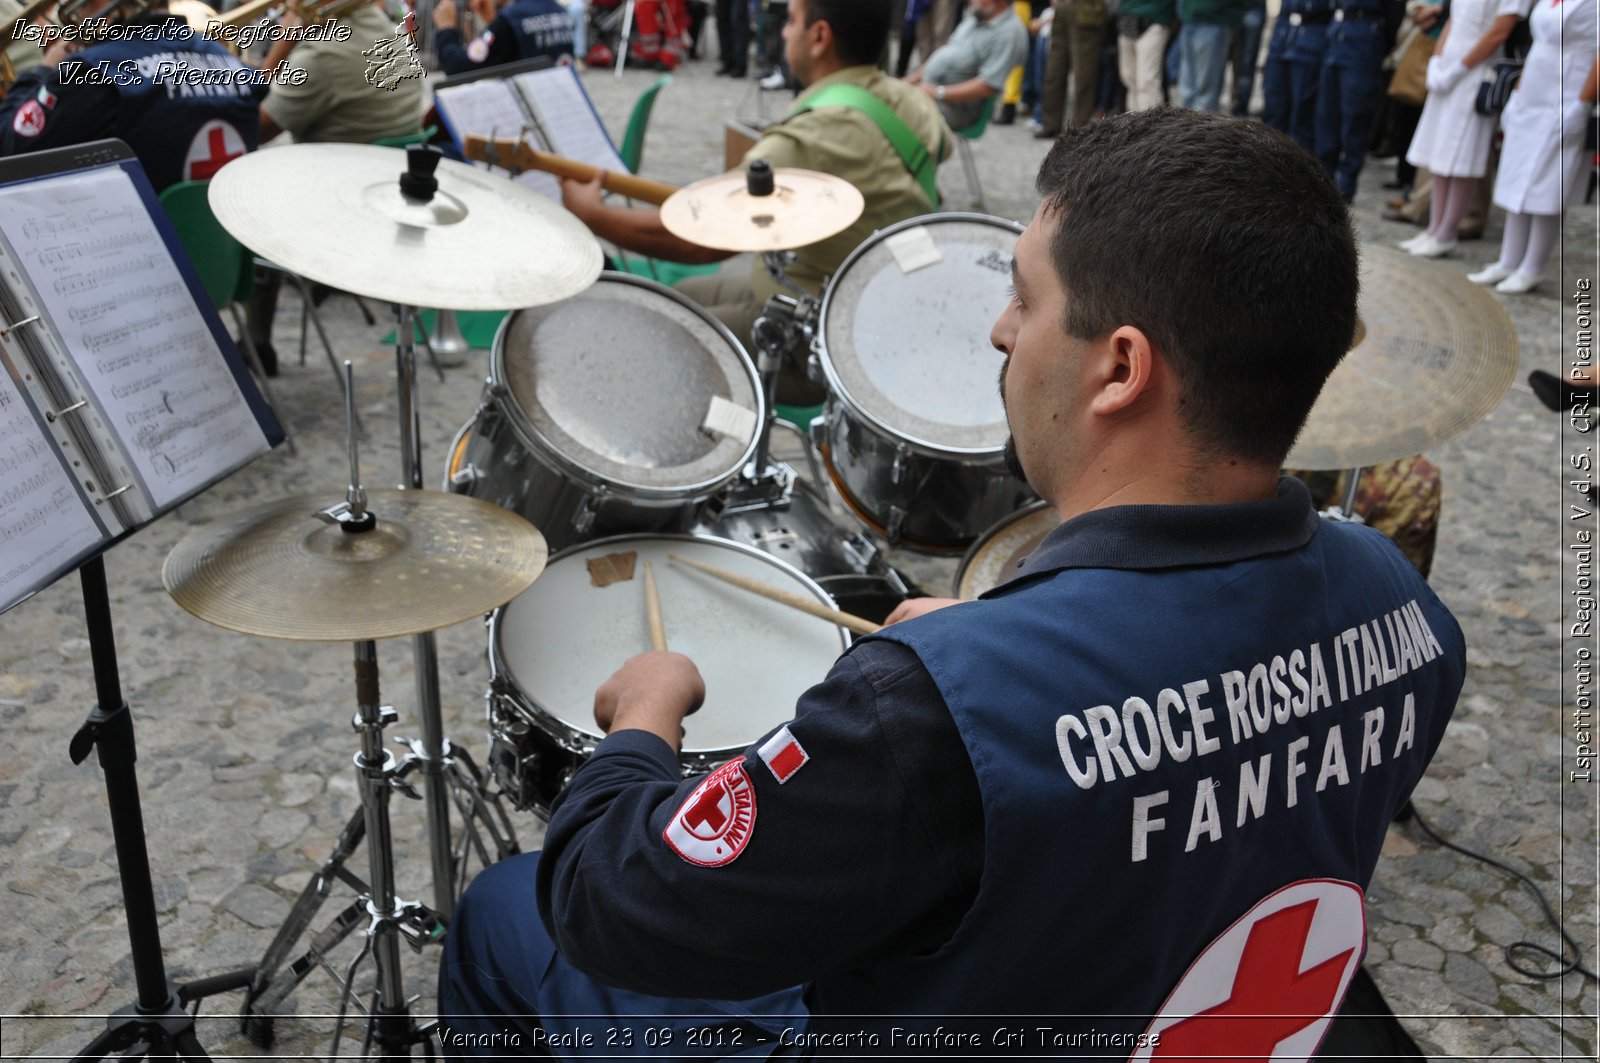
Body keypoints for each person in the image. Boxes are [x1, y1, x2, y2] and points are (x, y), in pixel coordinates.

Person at [439, 108, 1465, 1052]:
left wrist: (638, 724)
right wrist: (999, 654)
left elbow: (614, 906)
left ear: (1119, 369)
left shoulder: (922, 710)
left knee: (504, 910)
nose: (999, 330)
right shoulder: (1405, 609)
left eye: (1025, 295)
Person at [558, 0, 949, 405]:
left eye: (792, 21)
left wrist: (590, 214)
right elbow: (942, 150)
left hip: (818, 342)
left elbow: (697, 241)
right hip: (860, 307)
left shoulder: (809, 139)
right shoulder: (911, 102)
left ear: (819, 37)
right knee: (680, 294)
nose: (782, 32)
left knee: (642, 337)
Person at [244, 0, 426, 374]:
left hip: (341, 204)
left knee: (247, 198)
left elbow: (255, 129)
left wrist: (282, 43)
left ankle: (256, 343)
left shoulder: (322, 56)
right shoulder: (393, 33)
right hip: (388, 191)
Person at [0, 0, 260, 191]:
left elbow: (10, 148)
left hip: (136, 252)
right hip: (222, 255)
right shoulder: (226, 59)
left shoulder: (94, 69)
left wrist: (44, 70)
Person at [1467, 0, 1596, 292]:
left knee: (1548, 183)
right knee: (1517, 174)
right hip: (1534, 89)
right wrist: (1518, 93)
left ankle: (1533, 266)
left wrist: (1582, 103)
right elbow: (1538, 45)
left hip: (1567, 91)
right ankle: (1509, 260)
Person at [1398, 0, 1528, 255]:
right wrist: (1437, 58)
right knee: (1439, 148)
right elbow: (1452, 19)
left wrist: (1460, 67)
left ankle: (1447, 230)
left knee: (1462, 154)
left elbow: (1500, 31)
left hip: (1478, 65)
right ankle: (1434, 227)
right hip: (1450, 57)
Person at [1314, 0, 1405, 202]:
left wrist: (1380, 46)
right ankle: (1323, 177)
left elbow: (1394, 15)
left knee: (1355, 116)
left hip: (1364, 41)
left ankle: (1346, 182)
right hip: (1336, 38)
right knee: (1327, 115)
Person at [906, 0, 1030, 130]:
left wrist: (938, 92)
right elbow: (942, 58)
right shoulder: (976, 17)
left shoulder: (1009, 32)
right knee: (887, 100)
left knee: (896, 113)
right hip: (929, 92)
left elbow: (988, 85)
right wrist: (906, 83)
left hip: (957, 107)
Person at [432, 0, 576, 75]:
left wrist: (446, 29)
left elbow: (458, 68)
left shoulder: (513, 20)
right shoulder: (560, 12)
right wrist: (493, 21)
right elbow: (510, 51)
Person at [1175, 0, 1252, 111]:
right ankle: (1185, 126)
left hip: (1214, 21)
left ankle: (1201, 127)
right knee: (1187, 90)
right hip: (1188, 20)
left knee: (1205, 95)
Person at [1116, 0, 1174, 112]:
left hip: (1153, 21)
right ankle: (1132, 125)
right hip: (1126, 21)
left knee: (1147, 82)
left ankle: (1152, 126)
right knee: (1129, 80)